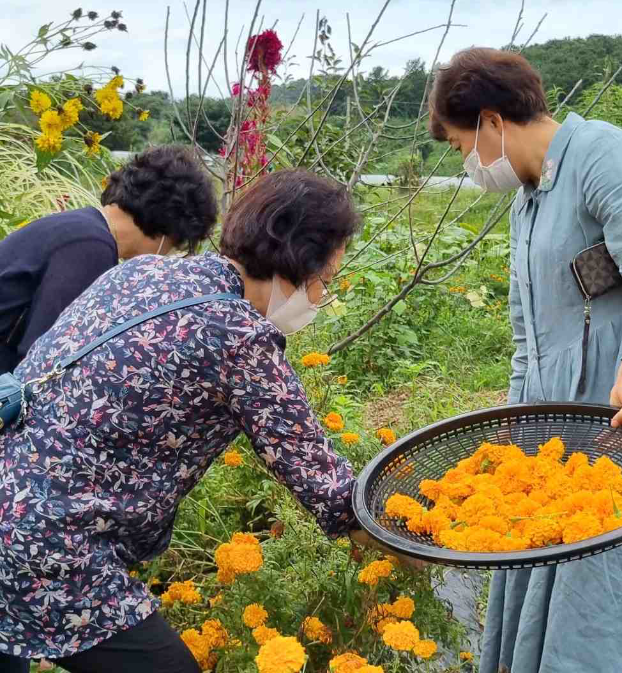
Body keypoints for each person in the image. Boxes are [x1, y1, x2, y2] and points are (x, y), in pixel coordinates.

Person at [0, 169, 380, 673]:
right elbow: (327, 487)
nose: (319, 300)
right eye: (324, 283)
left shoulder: (139, 274)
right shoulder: (239, 336)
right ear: (296, 261)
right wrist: (419, 542)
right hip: (46, 544)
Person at [429, 48, 622, 673]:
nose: (468, 164)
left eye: (461, 147)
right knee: (554, 555)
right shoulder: (528, 201)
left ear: (492, 122)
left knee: (611, 571)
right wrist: (516, 420)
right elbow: (524, 328)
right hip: (560, 419)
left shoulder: (604, 158)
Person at [0, 144, 219, 375]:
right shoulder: (91, 248)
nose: (165, 255)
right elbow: (41, 358)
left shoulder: (79, 227)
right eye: (174, 245)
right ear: (171, 228)